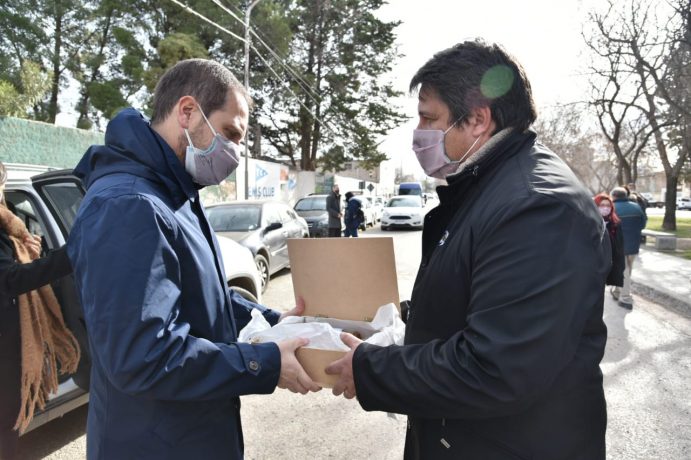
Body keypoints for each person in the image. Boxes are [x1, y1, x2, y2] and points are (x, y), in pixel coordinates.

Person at [326, 39, 611, 459]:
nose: (418, 133)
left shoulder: (536, 205)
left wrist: (369, 369)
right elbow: (476, 300)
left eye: (429, 118)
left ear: (477, 120)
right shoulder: (485, 189)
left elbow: (496, 368)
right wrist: (394, 322)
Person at [67, 59, 320, 460]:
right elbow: (142, 357)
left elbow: (200, 294)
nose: (235, 152)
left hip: (190, 434)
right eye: (230, 133)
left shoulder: (174, 193)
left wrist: (270, 323)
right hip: (153, 444)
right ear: (187, 112)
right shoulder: (130, 206)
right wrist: (264, 363)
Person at [0, 161, 78, 460]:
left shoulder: (11, 228)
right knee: (7, 423)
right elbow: (10, 279)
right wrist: (67, 256)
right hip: (5, 343)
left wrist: (26, 252)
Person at [610, 186, 647, 310]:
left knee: (623, 271)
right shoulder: (636, 206)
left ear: (614, 196)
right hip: (634, 245)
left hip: (619, 245)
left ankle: (625, 297)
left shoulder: (612, 208)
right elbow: (643, 224)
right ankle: (617, 290)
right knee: (627, 270)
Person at [594, 192, 625, 288]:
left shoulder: (615, 223)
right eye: (602, 205)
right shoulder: (590, 223)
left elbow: (619, 248)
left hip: (608, 264)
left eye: (608, 205)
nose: (605, 208)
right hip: (593, 264)